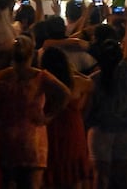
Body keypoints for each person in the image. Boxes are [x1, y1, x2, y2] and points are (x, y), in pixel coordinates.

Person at [0, 35, 70, 189]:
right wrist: (49, 117)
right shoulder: (40, 77)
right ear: (31, 54)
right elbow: (65, 93)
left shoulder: (0, 78)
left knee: (7, 183)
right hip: (33, 139)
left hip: (7, 138)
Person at [85, 0, 127, 189]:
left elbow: (87, 107)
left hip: (101, 129)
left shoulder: (92, 80)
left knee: (100, 176)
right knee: (124, 174)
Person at [40, 46, 94, 189]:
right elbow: (90, 83)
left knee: (53, 167)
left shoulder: (43, 84)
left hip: (51, 129)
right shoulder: (75, 82)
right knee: (73, 171)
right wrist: (73, 70)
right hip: (73, 129)